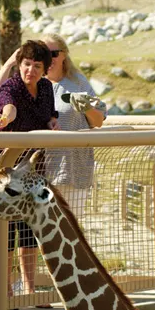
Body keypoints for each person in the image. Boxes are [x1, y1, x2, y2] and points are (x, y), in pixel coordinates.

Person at [0, 40, 59, 298]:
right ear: (20, 64)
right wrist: (4, 118)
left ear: (45, 69)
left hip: (33, 168)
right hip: (5, 167)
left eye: (36, 66)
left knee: (30, 230)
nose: (30, 70)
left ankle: (29, 289)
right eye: (26, 64)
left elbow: (50, 116)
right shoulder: (11, 86)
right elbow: (9, 107)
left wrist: (52, 123)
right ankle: (5, 291)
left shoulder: (46, 88)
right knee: (5, 229)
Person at [41, 33, 106, 220]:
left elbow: (98, 120)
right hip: (41, 171)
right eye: (43, 53)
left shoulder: (78, 82)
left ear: (64, 55)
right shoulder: (33, 83)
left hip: (74, 170)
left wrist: (83, 104)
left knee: (71, 230)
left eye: (53, 53)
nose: (48, 59)